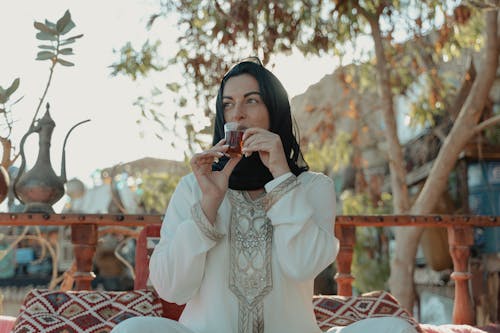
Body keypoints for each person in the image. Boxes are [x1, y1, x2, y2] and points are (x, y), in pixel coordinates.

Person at [111, 58, 418, 333]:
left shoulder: (312, 188)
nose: (238, 114)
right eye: (228, 104)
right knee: (132, 331)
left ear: (275, 110)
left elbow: (302, 265)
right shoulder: (194, 187)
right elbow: (171, 289)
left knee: (394, 328)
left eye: (252, 101)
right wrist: (208, 204)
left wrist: (282, 177)